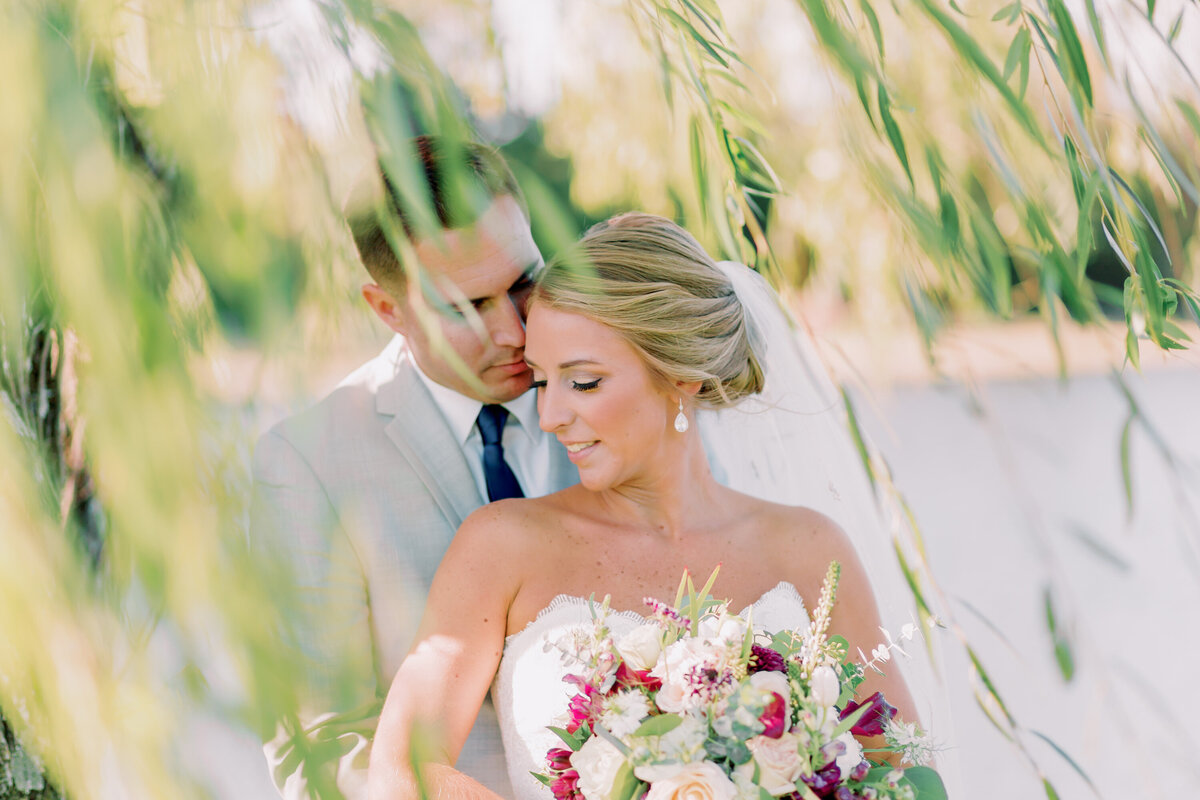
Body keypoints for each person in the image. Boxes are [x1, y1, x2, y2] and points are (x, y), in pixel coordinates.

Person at [365, 213, 922, 800]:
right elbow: (402, 771)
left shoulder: (810, 550)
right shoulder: (501, 546)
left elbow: (908, 768)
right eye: (540, 381)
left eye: (581, 383)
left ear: (680, 374)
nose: (550, 416)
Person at [252, 136, 578, 798]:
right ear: (387, 310)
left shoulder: (619, 393)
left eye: (525, 283)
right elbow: (320, 747)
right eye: (466, 308)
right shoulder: (307, 464)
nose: (515, 333)